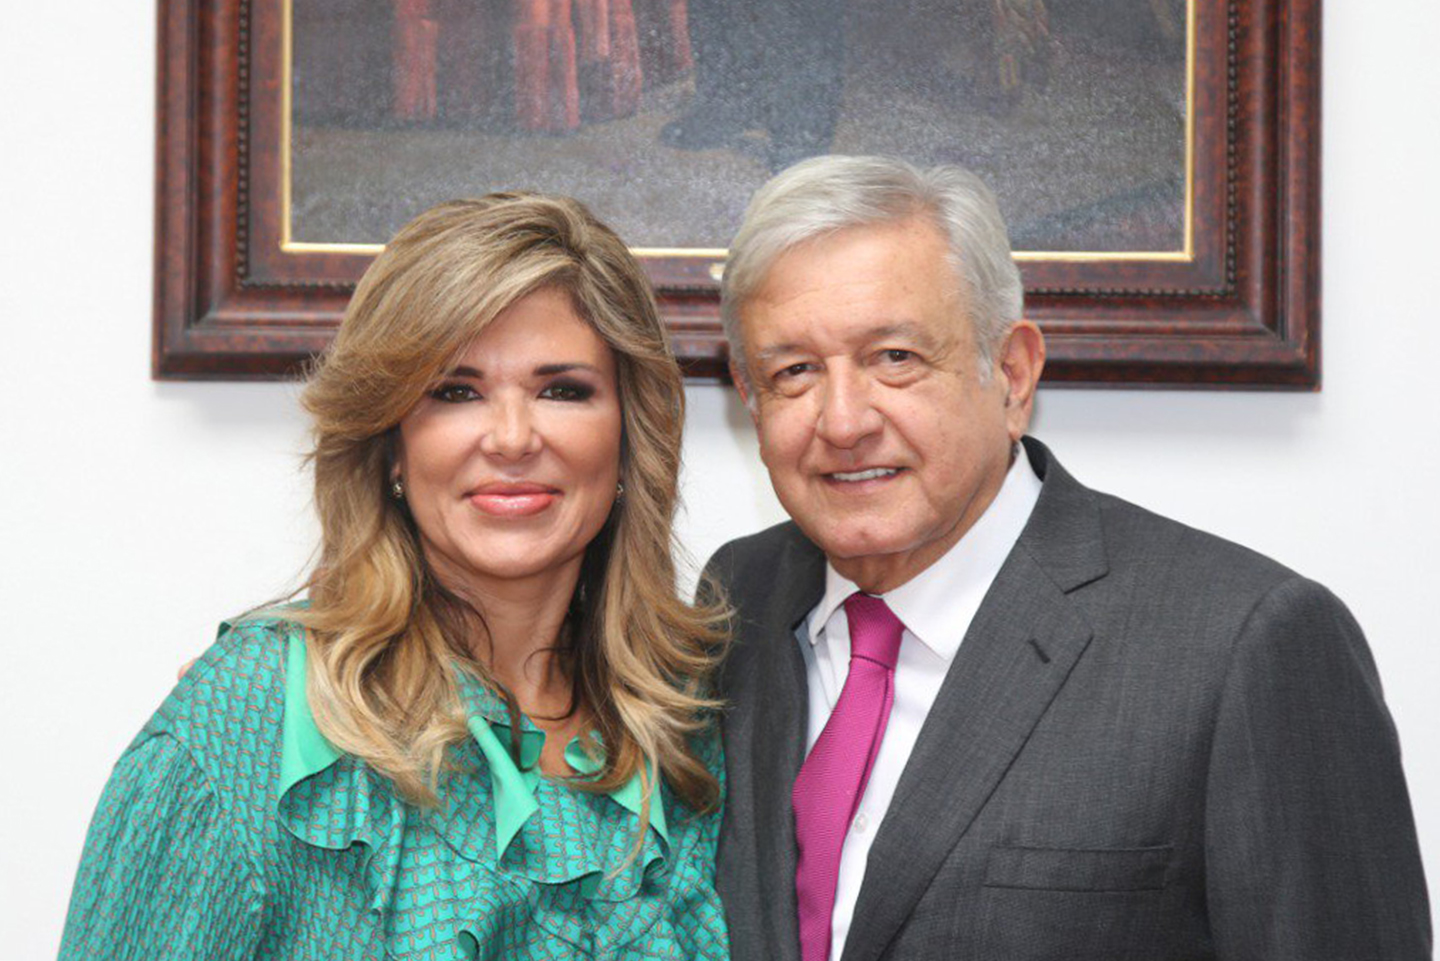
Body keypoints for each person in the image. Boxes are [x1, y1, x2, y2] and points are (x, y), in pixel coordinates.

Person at [705, 155, 1432, 961]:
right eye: (794, 371)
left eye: (895, 357)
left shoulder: (1245, 646)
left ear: (1012, 375)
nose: (843, 422)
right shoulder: (735, 599)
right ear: (750, 395)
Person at [60, 194, 731, 960]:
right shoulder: (255, 717)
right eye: (456, 391)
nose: (513, 438)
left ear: (630, 437)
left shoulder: (694, 723)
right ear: (390, 448)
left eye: (562, 389)